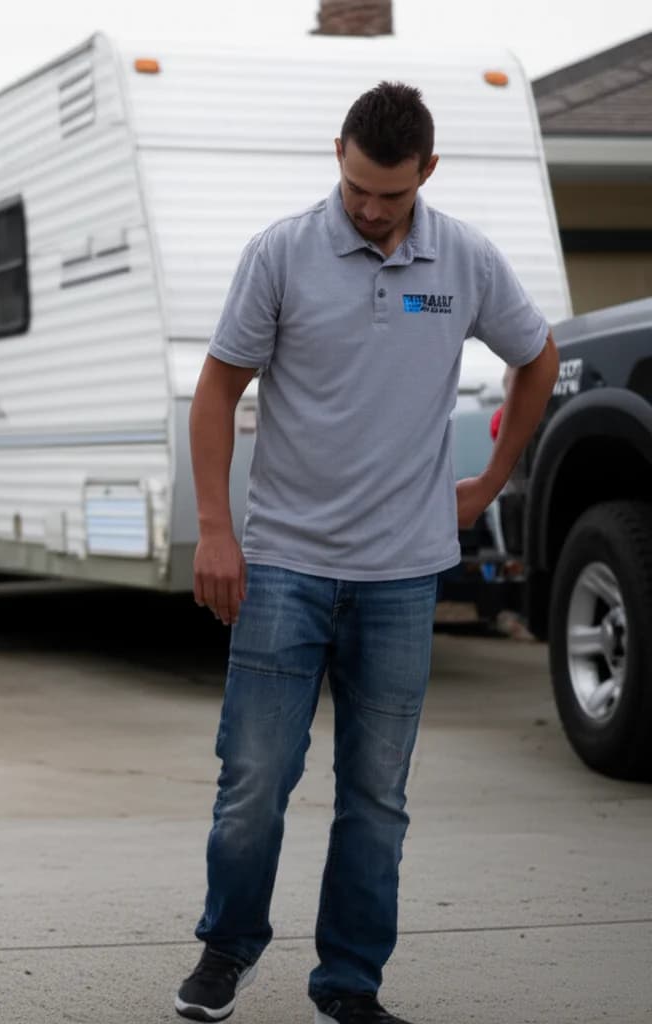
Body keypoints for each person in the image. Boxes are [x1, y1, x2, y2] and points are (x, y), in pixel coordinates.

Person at [174, 82, 560, 1024]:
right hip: (286, 567)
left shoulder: (463, 257)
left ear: (427, 171)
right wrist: (218, 532)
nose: (371, 209)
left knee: (377, 796)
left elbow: (537, 356)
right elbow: (218, 390)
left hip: (402, 574)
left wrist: (493, 479)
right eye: (356, 187)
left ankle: (349, 985)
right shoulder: (282, 253)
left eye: (390, 193)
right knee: (256, 779)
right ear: (337, 152)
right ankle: (227, 950)